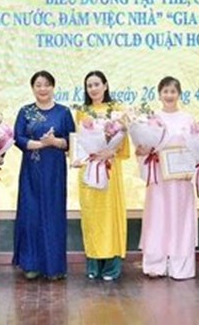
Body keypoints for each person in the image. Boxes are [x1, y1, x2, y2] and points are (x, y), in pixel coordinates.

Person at [13, 70, 75, 280]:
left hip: (54, 172)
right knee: (31, 215)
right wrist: (41, 144)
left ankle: (54, 267)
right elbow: (18, 138)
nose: (43, 89)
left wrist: (55, 142)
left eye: (47, 84)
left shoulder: (63, 112)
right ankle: (31, 265)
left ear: (53, 87)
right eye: (38, 85)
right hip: (31, 170)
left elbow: (72, 141)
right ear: (33, 88)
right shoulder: (25, 111)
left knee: (53, 215)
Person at [139, 76, 197, 280]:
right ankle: (155, 264)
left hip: (181, 178)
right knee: (158, 217)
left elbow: (196, 147)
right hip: (159, 177)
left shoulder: (188, 119)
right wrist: (143, 150)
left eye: (173, 91)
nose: (169, 95)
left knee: (181, 218)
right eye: (165, 91)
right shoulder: (151, 119)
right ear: (159, 94)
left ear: (179, 94)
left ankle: (181, 266)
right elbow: (143, 147)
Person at [76, 71, 129, 281]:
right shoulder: (82, 112)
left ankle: (112, 266)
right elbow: (78, 141)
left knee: (110, 215)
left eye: (97, 84)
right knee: (91, 216)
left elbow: (123, 144)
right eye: (89, 85)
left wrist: (111, 151)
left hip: (109, 169)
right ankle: (93, 264)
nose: (93, 89)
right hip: (89, 169)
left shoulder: (116, 110)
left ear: (105, 86)